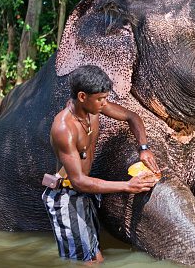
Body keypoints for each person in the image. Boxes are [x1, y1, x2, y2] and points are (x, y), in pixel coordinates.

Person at [42, 65, 161, 263]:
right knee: (87, 262)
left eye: (105, 98)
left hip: (86, 191)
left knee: (96, 258)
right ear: (82, 96)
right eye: (100, 99)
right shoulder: (64, 127)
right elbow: (78, 181)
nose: (104, 103)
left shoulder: (93, 108)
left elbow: (132, 117)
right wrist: (127, 186)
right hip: (67, 195)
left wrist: (144, 148)